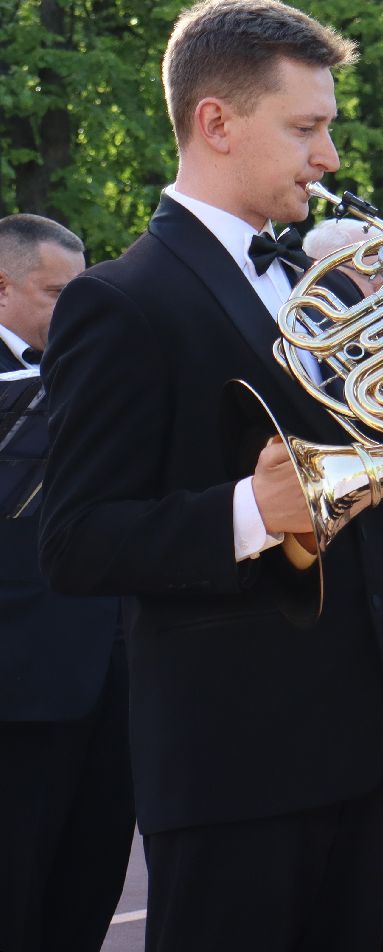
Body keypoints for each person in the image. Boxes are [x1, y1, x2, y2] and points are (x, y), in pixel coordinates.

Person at [37, 0, 383, 952]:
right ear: (216, 124)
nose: (330, 158)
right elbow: (77, 540)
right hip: (231, 756)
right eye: (307, 128)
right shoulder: (119, 300)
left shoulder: (328, 291)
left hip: (356, 734)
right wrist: (250, 509)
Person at [0, 214, 133, 952]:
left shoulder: (93, 368)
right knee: (17, 880)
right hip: (19, 682)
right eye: (56, 293)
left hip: (112, 658)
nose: (75, 309)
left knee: (95, 867)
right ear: (3, 289)